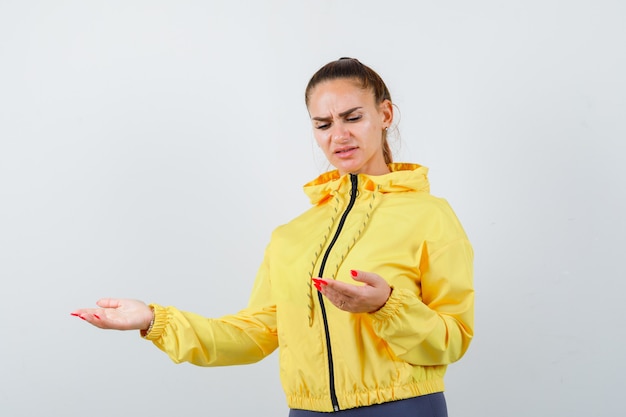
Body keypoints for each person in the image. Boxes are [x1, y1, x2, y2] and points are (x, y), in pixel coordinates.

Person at [72, 57, 474, 416]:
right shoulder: (291, 236)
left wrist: (387, 305)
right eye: (323, 124)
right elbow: (253, 335)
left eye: (353, 117)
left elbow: (451, 339)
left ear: (384, 114)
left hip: (402, 410)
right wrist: (154, 319)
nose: (339, 135)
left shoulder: (430, 216)